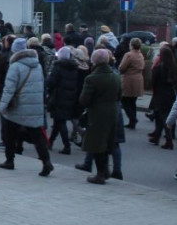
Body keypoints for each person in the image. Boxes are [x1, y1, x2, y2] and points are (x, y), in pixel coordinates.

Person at [0, 39, 52, 175]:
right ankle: (46, 162)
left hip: (18, 105)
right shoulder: (37, 64)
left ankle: (10, 160)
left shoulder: (15, 66)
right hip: (35, 105)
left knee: (8, 133)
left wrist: (2, 107)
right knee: (37, 135)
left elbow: (9, 89)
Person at [77, 47, 121, 184]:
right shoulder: (115, 76)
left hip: (97, 114)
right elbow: (120, 94)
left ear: (94, 61)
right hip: (113, 111)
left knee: (97, 145)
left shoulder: (92, 78)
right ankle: (105, 171)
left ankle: (101, 174)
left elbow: (84, 100)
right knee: (108, 142)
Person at [45, 46, 80, 155]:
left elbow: (50, 82)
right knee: (58, 121)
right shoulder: (74, 68)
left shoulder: (58, 67)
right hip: (70, 97)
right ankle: (50, 142)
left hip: (58, 97)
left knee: (60, 121)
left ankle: (66, 146)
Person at [149, 44, 177, 150]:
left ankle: (168, 140)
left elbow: (153, 81)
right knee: (159, 115)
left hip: (160, 93)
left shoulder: (159, 67)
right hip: (170, 93)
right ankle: (157, 136)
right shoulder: (174, 66)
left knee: (163, 117)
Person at [118, 37, 145, 129]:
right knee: (133, 102)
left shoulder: (129, 55)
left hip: (128, 79)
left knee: (124, 100)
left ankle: (132, 118)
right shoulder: (140, 55)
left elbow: (122, 68)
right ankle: (132, 121)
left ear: (132, 45)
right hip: (138, 80)